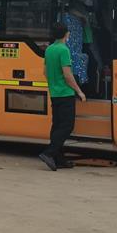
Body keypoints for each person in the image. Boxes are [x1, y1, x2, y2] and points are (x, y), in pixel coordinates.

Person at [39, 21, 87, 171]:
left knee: (57, 125)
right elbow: (67, 75)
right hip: (65, 93)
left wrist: (54, 85)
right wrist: (79, 91)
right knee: (67, 126)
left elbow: (45, 73)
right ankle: (49, 153)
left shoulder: (49, 49)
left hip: (54, 93)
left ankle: (59, 159)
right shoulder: (63, 50)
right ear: (66, 34)